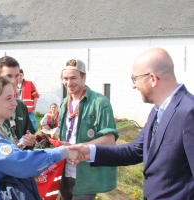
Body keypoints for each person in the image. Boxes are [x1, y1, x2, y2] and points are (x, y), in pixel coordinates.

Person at [69, 48, 194, 199]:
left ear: (152, 79)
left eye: (135, 79)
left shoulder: (189, 113)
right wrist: (89, 151)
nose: (133, 86)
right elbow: (136, 150)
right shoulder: (157, 111)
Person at [0, 76, 79, 200]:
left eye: (14, 97)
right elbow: (19, 162)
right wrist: (62, 152)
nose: (14, 103)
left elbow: (9, 155)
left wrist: (22, 144)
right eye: (8, 98)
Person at [58, 59, 119, 200]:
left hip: (86, 175)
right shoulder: (64, 103)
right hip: (63, 172)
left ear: (84, 77)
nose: (69, 83)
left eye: (73, 78)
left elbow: (109, 139)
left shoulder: (100, 102)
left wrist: (80, 147)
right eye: (65, 78)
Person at [0, 56, 36, 149]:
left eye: (17, 76)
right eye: (8, 76)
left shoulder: (20, 105)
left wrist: (30, 140)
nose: (13, 81)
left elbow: (30, 134)